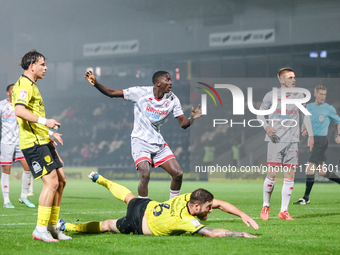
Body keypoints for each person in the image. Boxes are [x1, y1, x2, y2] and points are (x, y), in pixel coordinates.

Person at [84, 70, 201, 199]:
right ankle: (141, 209)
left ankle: (172, 207)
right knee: (145, 174)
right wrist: (96, 84)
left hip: (157, 142)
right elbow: (112, 93)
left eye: (170, 79)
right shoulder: (140, 93)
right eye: (167, 80)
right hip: (140, 141)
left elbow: (183, 124)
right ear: (158, 83)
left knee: (178, 174)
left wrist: (192, 118)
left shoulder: (173, 99)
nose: (170, 83)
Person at [59, 171, 259, 238]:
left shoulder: (189, 197)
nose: (211, 210)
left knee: (128, 197)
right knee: (108, 225)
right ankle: (66, 226)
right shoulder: (187, 221)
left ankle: (100, 179)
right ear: (197, 207)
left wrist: (242, 214)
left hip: (146, 205)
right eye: (208, 208)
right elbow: (214, 233)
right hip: (138, 223)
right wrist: (242, 234)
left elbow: (220, 204)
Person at [12, 50, 71, 242]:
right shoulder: (24, 85)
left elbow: (32, 117)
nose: (46, 68)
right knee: (51, 182)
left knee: (61, 181)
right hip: (33, 143)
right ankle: (40, 229)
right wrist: (47, 122)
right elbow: (19, 111)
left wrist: (50, 133)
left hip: (43, 139)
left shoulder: (32, 85)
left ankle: (53, 227)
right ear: (32, 66)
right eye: (42, 64)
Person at [257, 68, 314, 220]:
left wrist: (311, 134)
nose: (293, 80)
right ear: (281, 80)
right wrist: (266, 126)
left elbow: (306, 116)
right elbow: (259, 114)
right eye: (289, 78)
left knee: (290, 175)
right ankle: (266, 206)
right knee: (273, 174)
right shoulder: (271, 96)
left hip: (292, 141)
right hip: (276, 140)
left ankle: (284, 211)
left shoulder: (299, 95)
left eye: (294, 77)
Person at [293, 85, 340, 205]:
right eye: (320, 94)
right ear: (315, 95)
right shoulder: (309, 107)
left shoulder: (329, 108)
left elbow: (338, 121)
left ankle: (306, 198)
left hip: (321, 141)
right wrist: (304, 130)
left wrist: (339, 135)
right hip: (312, 140)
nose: (322, 97)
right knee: (322, 172)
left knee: (309, 167)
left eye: (324, 94)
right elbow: (305, 122)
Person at [0, 84, 35, 209]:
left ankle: (24, 196)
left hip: (20, 142)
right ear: (7, 92)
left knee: (28, 167)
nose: (15, 91)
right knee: (6, 170)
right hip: (6, 143)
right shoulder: (2, 105)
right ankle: (6, 200)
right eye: (12, 90)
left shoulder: (20, 106)